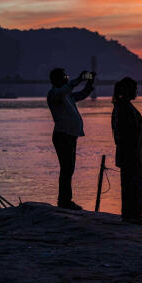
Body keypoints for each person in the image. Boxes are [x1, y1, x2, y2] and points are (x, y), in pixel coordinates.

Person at [47, 68, 95, 210]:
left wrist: (89, 82)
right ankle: (64, 202)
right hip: (63, 135)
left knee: (69, 169)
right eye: (65, 76)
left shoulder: (66, 95)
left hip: (70, 135)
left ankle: (66, 200)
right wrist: (79, 79)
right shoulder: (55, 94)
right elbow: (65, 91)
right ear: (57, 79)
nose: (67, 78)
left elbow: (82, 95)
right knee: (67, 169)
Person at [111, 77, 142, 225]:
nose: (137, 92)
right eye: (135, 89)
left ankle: (129, 215)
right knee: (136, 185)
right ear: (128, 90)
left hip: (128, 152)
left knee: (129, 185)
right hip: (132, 153)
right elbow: (133, 131)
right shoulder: (125, 107)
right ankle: (135, 216)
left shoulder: (121, 106)